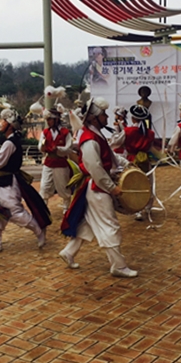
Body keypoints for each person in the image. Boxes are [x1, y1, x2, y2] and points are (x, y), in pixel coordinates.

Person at [59, 97, 138, 278]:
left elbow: (110, 156)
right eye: (103, 114)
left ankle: (69, 252)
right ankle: (118, 265)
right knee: (110, 225)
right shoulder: (89, 139)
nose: (106, 117)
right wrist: (111, 188)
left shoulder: (95, 134)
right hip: (97, 188)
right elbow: (95, 168)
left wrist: (126, 165)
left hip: (94, 187)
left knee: (87, 224)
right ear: (94, 117)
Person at [0, 109, 51, 252]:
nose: (1, 123)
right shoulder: (11, 141)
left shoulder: (10, 143)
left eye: (4, 121)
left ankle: (39, 229)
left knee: (13, 211)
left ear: (9, 124)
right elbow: (0, 160)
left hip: (9, 181)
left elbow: (0, 161)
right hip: (4, 180)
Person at [111, 104, 156, 220]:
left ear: (133, 118)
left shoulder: (128, 131)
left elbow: (115, 143)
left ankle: (137, 210)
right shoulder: (150, 133)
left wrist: (116, 132)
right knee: (148, 182)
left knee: (134, 183)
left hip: (131, 160)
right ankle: (148, 206)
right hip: (145, 160)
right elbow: (150, 147)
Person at [38, 107, 73, 214]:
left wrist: (58, 149)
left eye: (50, 119)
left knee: (63, 186)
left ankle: (66, 207)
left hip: (61, 163)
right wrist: (41, 148)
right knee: (44, 185)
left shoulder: (65, 132)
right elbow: (40, 145)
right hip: (49, 162)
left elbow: (69, 148)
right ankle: (43, 207)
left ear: (56, 119)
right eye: (47, 120)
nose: (48, 122)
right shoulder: (45, 132)